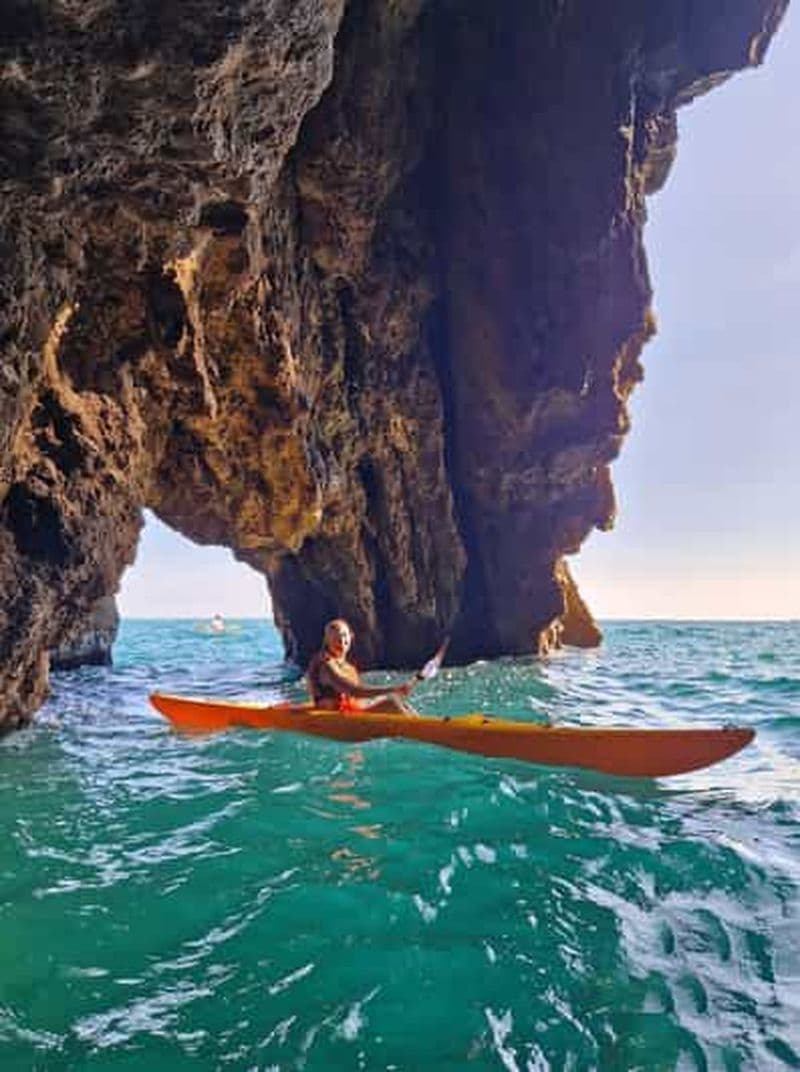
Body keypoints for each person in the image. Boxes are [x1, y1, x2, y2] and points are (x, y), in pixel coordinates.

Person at [306, 619, 416, 714]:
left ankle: (423, 725)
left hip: (348, 711)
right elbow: (354, 691)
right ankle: (420, 731)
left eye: (344, 635)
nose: (341, 641)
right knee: (391, 704)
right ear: (327, 641)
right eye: (335, 637)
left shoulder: (345, 665)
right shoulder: (326, 665)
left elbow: (355, 698)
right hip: (333, 717)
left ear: (351, 636)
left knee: (399, 702)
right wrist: (393, 689)